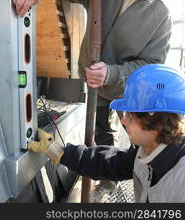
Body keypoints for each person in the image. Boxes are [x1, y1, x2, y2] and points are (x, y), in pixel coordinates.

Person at [12, 0, 183, 147]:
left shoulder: (161, 17)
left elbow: (151, 66)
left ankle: (121, 176)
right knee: (100, 130)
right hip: (93, 85)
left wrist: (111, 73)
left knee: (131, 139)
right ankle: (104, 172)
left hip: (125, 92)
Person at [28, 64, 185, 202]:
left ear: (156, 120)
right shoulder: (146, 152)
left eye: (129, 115)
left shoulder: (180, 178)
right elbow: (110, 162)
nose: (123, 121)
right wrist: (59, 152)